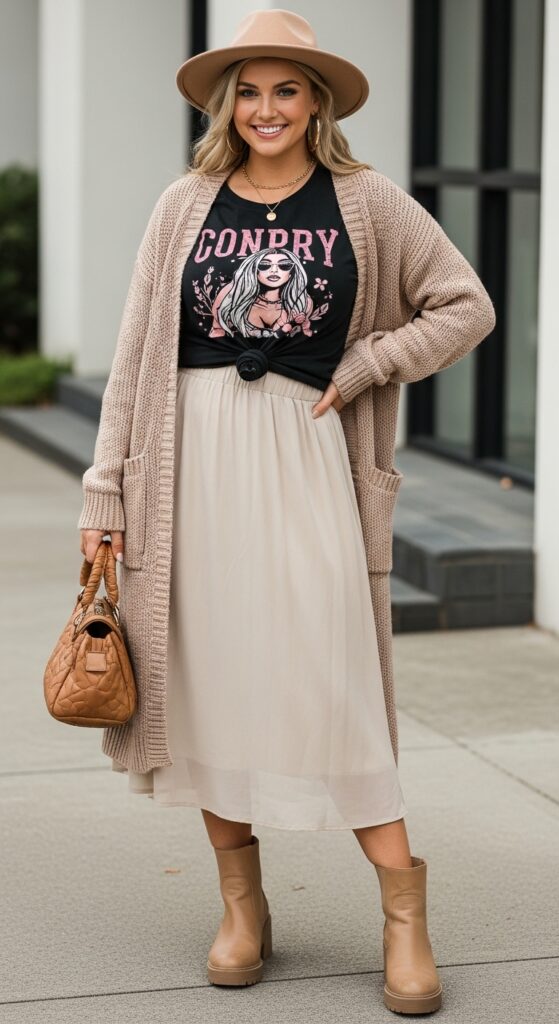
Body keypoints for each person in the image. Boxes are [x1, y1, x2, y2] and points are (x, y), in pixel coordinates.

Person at [78, 9, 496, 1014]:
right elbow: (138, 354)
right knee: (211, 682)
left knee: (333, 682)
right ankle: (242, 906)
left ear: (316, 103)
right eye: (250, 91)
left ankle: (403, 917)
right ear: (230, 104)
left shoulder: (368, 202)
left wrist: (368, 361)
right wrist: (106, 489)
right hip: (187, 470)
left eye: (286, 89)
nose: (266, 109)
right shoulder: (184, 204)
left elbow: (463, 304)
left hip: (307, 462)